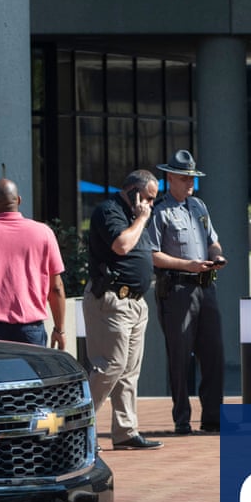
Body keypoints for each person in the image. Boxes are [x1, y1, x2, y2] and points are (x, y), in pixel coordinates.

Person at [83, 169, 163, 451]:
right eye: (149, 198)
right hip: (112, 300)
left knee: (129, 371)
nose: (151, 205)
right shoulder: (109, 211)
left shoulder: (136, 217)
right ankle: (79, 429)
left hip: (136, 302)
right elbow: (121, 245)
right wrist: (142, 218)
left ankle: (125, 431)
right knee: (109, 366)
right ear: (133, 191)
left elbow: (148, 253)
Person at [149, 149, 227, 435]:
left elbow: (213, 241)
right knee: (180, 356)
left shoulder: (199, 207)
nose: (190, 183)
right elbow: (153, 255)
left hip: (206, 288)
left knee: (214, 353)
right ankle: (182, 419)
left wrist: (216, 256)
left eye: (192, 178)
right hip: (178, 290)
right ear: (170, 178)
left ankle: (213, 418)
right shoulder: (160, 211)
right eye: (184, 178)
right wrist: (189, 265)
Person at [0, 179, 67, 347]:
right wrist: (59, 329)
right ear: (19, 200)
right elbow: (57, 288)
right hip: (31, 330)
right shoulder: (44, 233)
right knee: (31, 374)